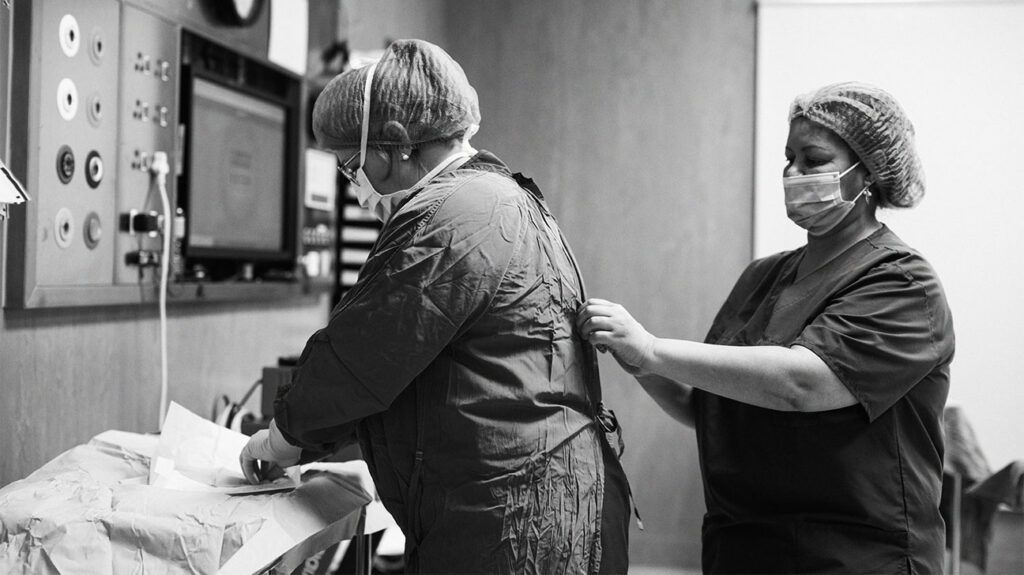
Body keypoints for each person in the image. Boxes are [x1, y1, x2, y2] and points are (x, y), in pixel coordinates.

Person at [239, 39, 630, 574]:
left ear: (397, 143)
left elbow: (358, 359)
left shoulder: (451, 217)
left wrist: (280, 440)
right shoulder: (500, 197)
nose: (355, 187)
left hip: (511, 530)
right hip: (550, 507)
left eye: (353, 165)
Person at [577, 82, 954, 574]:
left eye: (813, 159)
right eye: (788, 158)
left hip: (856, 557)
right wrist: (639, 367)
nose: (792, 173)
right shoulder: (764, 277)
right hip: (744, 550)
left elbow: (803, 384)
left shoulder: (902, 283)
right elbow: (709, 411)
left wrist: (651, 348)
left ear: (870, 173)